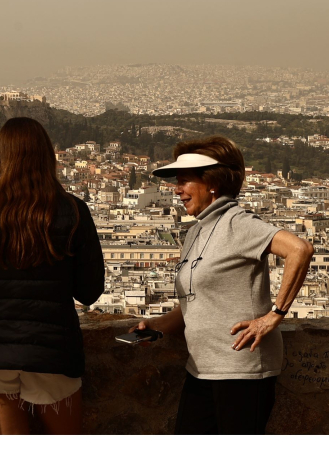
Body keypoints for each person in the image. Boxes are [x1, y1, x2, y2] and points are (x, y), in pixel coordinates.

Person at [132, 135, 313, 435]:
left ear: (212, 183)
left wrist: (273, 317)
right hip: (202, 369)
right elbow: (196, 302)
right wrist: (156, 326)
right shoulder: (195, 233)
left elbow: (300, 250)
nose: (177, 190)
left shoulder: (237, 223)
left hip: (242, 373)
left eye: (185, 181)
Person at [0, 117, 105, 435]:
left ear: (1, 159)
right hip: (53, 352)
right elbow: (89, 291)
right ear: (47, 157)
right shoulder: (73, 211)